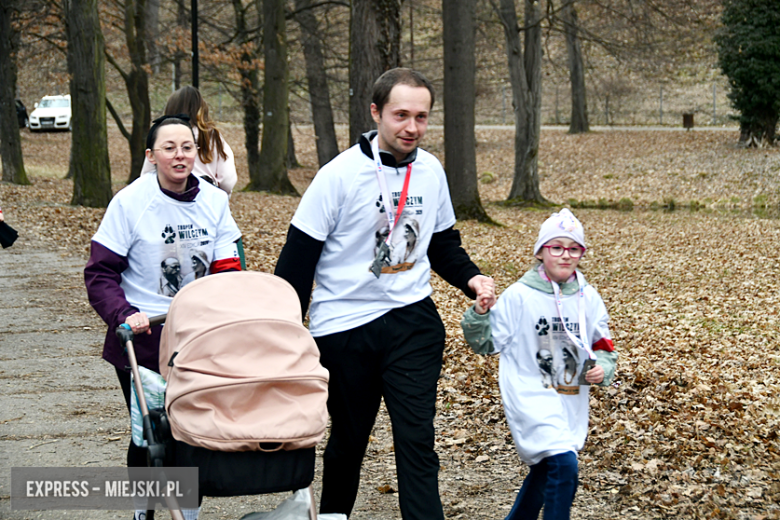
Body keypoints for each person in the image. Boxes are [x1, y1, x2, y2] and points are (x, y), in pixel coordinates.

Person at [274, 67, 496, 520]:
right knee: (349, 442)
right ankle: (334, 515)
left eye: (421, 116)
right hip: (345, 328)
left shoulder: (431, 171)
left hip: (413, 322)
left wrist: (472, 278)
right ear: (376, 112)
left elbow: (441, 243)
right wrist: (284, 336)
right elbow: (296, 264)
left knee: (416, 439)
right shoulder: (338, 176)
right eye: (400, 115)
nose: (412, 127)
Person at [84, 115, 242, 520]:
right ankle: (145, 509)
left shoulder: (214, 201)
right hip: (142, 341)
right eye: (169, 148)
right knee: (150, 434)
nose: (180, 155)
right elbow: (100, 273)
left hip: (198, 341)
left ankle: (185, 513)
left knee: (192, 433)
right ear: (151, 156)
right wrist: (126, 314)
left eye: (187, 147)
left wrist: (223, 310)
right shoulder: (130, 203)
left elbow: (228, 269)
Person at [460, 208, 619, 520]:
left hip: (570, 396)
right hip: (529, 392)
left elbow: (602, 342)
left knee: (548, 467)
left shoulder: (588, 297)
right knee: (564, 463)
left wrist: (603, 366)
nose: (565, 255)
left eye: (574, 248)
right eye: (556, 247)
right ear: (541, 252)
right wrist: (480, 315)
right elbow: (486, 342)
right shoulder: (520, 295)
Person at [141, 86, 238, 196]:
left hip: (167, 198)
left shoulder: (162, 138)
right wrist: (221, 198)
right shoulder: (212, 137)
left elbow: (146, 176)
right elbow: (227, 180)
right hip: (206, 199)